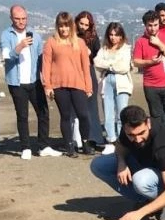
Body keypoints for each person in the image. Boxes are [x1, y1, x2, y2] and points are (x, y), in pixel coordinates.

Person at [90, 105, 165, 220]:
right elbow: (121, 145)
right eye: (132, 135)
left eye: (141, 133)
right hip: (149, 164)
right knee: (99, 165)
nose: (137, 139)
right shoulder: (129, 128)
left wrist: (139, 214)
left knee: (141, 180)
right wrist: (122, 164)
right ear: (124, 127)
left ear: (148, 123)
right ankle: (145, 199)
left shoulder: (163, 145)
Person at [0, 5, 58, 160]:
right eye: (17, 19)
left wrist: (47, 81)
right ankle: (25, 147)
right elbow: (6, 56)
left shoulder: (35, 35)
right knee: (22, 115)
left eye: (24, 18)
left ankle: (43, 146)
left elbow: (41, 60)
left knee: (43, 113)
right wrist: (19, 47)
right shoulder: (6, 35)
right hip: (16, 82)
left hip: (35, 80)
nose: (21, 22)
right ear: (11, 18)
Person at [41, 11, 93, 157]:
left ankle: (85, 143)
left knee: (83, 115)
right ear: (57, 27)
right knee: (65, 116)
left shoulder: (80, 43)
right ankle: (69, 146)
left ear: (71, 26)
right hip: (59, 85)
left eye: (66, 26)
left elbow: (85, 67)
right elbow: (46, 66)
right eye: (61, 26)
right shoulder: (51, 42)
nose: (64, 29)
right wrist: (48, 86)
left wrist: (88, 87)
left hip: (78, 84)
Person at [133, 10, 165, 136]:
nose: (153, 28)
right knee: (157, 117)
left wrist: (159, 44)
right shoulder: (140, 41)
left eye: (155, 25)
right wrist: (150, 62)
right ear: (145, 25)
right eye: (150, 25)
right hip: (151, 85)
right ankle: (162, 144)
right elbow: (136, 62)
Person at [93, 22, 133, 155]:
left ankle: (123, 140)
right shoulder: (104, 49)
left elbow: (124, 67)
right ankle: (111, 140)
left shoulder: (126, 49)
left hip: (121, 82)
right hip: (106, 81)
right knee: (108, 112)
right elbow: (97, 62)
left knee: (122, 112)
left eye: (116, 35)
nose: (113, 38)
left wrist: (108, 65)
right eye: (111, 34)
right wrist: (112, 65)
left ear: (121, 36)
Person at [75, 11, 103, 153]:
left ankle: (95, 138)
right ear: (76, 22)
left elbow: (98, 54)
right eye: (81, 23)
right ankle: (78, 140)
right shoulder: (71, 36)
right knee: (77, 109)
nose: (83, 27)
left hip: (88, 70)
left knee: (92, 107)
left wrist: (89, 53)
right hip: (74, 72)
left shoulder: (93, 37)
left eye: (86, 24)